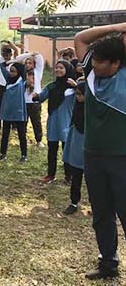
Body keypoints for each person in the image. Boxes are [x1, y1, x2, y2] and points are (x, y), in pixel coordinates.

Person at [74, 23, 126, 280]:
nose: (94, 65)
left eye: (101, 61)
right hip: (92, 156)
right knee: (102, 213)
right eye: (93, 60)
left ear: (116, 63)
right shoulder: (92, 74)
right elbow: (80, 37)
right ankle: (108, 264)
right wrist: (118, 27)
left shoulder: (124, 78)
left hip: (122, 158)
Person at [32, 60, 75, 185]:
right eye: (56, 68)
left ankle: (69, 176)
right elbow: (41, 97)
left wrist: (76, 86)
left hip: (67, 123)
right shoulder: (51, 86)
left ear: (67, 70)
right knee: (52, 150)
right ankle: (51, 175)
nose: (58, 70)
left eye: (61, 68)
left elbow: (85, 95)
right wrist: (36, 96)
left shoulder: (72, 88)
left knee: (67, 151)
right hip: (53, 123)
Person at [61, 80, 86, 215]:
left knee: (94, 182)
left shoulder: (93, 112)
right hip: (77, 149)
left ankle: (96, 205)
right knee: (76, 177)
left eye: (82, 95)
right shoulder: (76, 109)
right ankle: (74, 202)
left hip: (90, 151)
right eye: (77, 94)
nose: (79, 97)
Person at [0, 61, 28, 162]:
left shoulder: (22, 80)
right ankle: (3, 153)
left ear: (19, 72)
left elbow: (23, 66)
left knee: (21, 134)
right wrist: (9, 62)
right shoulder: (8, 79)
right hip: (7, 111)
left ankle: (24, 155)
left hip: (19, 112)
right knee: (5, 134)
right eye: (10, 71)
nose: (11, 73)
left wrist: (16, 61)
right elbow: (2, 66)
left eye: (14, 71)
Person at [19, 52, 45, 147]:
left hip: (34, 101)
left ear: (34, 64)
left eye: (30, 63)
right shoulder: (22, 74)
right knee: (23, 122)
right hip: (24, 101)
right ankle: (23, 139)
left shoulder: (38, 72)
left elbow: (39, 56)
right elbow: (18, 58)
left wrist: (32, 54)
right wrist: (28, 54)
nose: (28, 65)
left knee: (36, 122)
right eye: (26, 63)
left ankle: (38, 140)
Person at [0, 40, 19, 130]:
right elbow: (3, 47)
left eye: (7, 54)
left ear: (10, 55)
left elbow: (16, 50)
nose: (5, 56)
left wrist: (12, 44)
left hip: (11, 87)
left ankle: (13, 124)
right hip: (1, 86)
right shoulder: (1, 61)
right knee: (0, 105)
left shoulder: (14, 62)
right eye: (4, 54)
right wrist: (11, 44)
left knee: (11, 105)